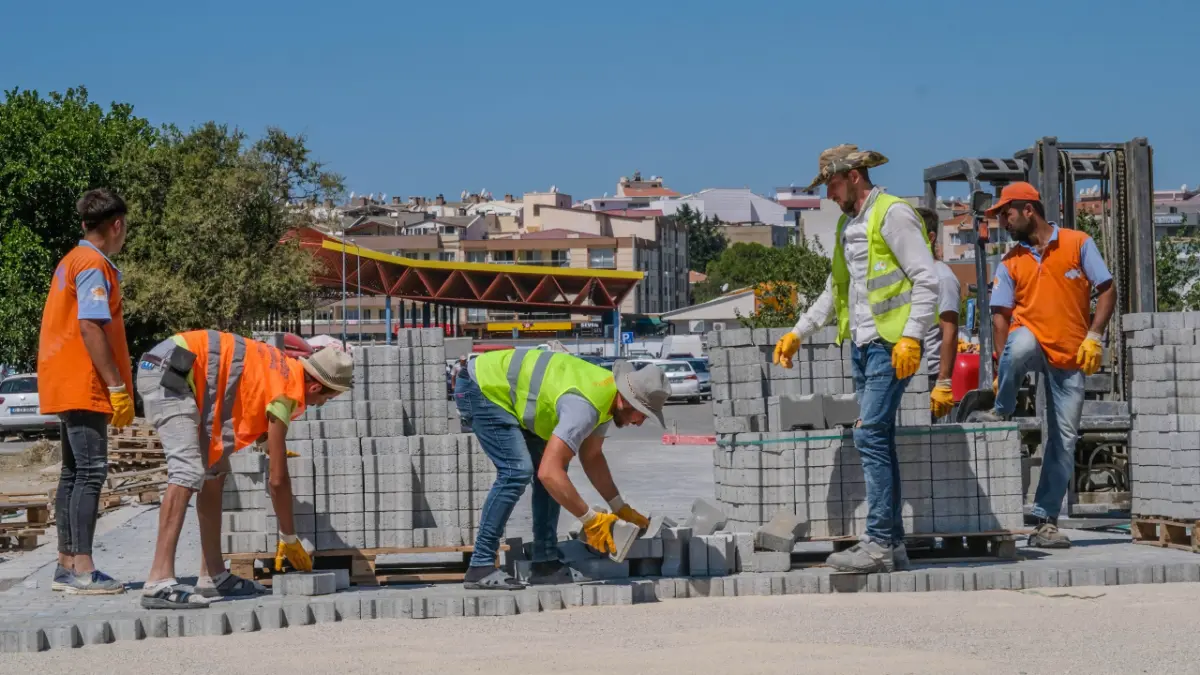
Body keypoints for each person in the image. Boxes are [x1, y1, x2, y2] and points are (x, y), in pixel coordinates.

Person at [772, 145, 939, 573]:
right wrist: (798, 332)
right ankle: (894, 544)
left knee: (868, 436)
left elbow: (927, 279)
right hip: (864, 347)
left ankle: (879, 543)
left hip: (891, 347)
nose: (829, 193)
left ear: (853, 176)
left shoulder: (892, 213)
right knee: (878, 439)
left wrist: (912, 338)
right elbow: (835, 291)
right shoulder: (849, 226)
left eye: (831, 183)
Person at [135, 332, 352, 608]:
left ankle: (213, 576)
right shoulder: (286, 390)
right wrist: (289, 536)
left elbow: (245, 388)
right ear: (315, 389)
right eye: (327, 399)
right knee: (187, 471)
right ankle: (158, 581)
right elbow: (277, 480)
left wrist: (265, 440)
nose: (321, 405)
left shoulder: (285, 370)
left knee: (215, 471)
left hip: (184, 369)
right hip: (170, 370)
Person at [969, 182, 1115, 549]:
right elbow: (1001, 314)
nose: (1003, 219)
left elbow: (1107, 289)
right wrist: (1002, 364)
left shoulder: (1078, 243)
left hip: (1069, 354)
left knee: (1064, 440)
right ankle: (1003, 410)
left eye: (1007, 212)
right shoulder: (1010, 261)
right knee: (1018, 349)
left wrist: (1094, 336)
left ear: (1028, 209)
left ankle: (1045, 520)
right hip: (1029, 337)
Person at [453, 349, 668, 589]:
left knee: (556, 472)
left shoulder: (607, 400)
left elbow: (592, 456)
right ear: (625, 400)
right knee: (517, 471)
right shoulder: (585, 407)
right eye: (643, 414)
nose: (639, 423)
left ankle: (545, 564)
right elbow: (548, 473)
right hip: (483, 388)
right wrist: (591, 520)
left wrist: (620, 507)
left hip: (515, 395)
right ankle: (480, 565)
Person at [37, 188, 134, 595]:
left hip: (64, 378)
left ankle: (65, 564)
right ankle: (82, 568)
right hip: (84, 382)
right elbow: (91, 326)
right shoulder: (93, 265)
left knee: (73, 473)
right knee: (91, 473)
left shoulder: (72, 260)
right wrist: (116, 386)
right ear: (116, 225)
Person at [915, 207, 962, 421]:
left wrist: (943, 382)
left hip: (930, 377)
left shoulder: (943, 278)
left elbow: (949, 332)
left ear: (930, 237)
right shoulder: (910, 275)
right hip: (910, 374)